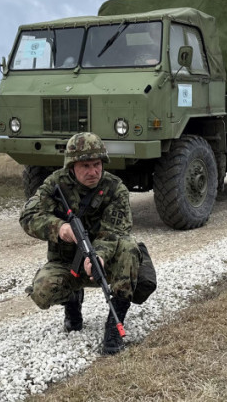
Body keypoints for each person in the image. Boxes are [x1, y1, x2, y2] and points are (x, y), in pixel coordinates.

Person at [20, 132, 147, 355]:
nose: (93, 172)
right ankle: (72, 300)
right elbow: (28, 216)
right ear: (72, 166)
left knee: (128, 247)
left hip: (103, 261)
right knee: (41, 292)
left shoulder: (115, 189)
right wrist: (59, 228)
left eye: (97, 164)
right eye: (86, 166)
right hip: (67, 262)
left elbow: (116, 232)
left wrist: (98, 254)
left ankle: (114, 325)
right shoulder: (55, 184)